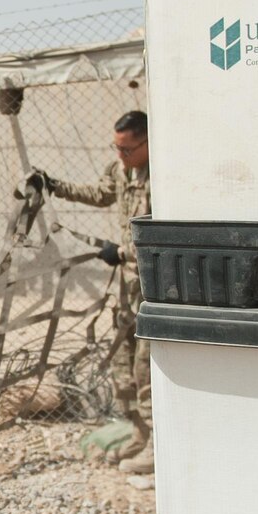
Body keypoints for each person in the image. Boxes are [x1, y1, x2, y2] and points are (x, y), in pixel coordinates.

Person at [28, 109, 153, 473]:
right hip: (127, 285)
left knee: (146, 366)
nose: (120, 157)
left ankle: (158, 447)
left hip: (154, 285)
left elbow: (168, 232)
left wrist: (123, 251)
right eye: (116, 149)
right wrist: (53, 185)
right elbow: (100, 194)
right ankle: (139, 433)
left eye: (127, 150)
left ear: (148, 142)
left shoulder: (165, 173)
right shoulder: (121, 169)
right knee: (122, 360)